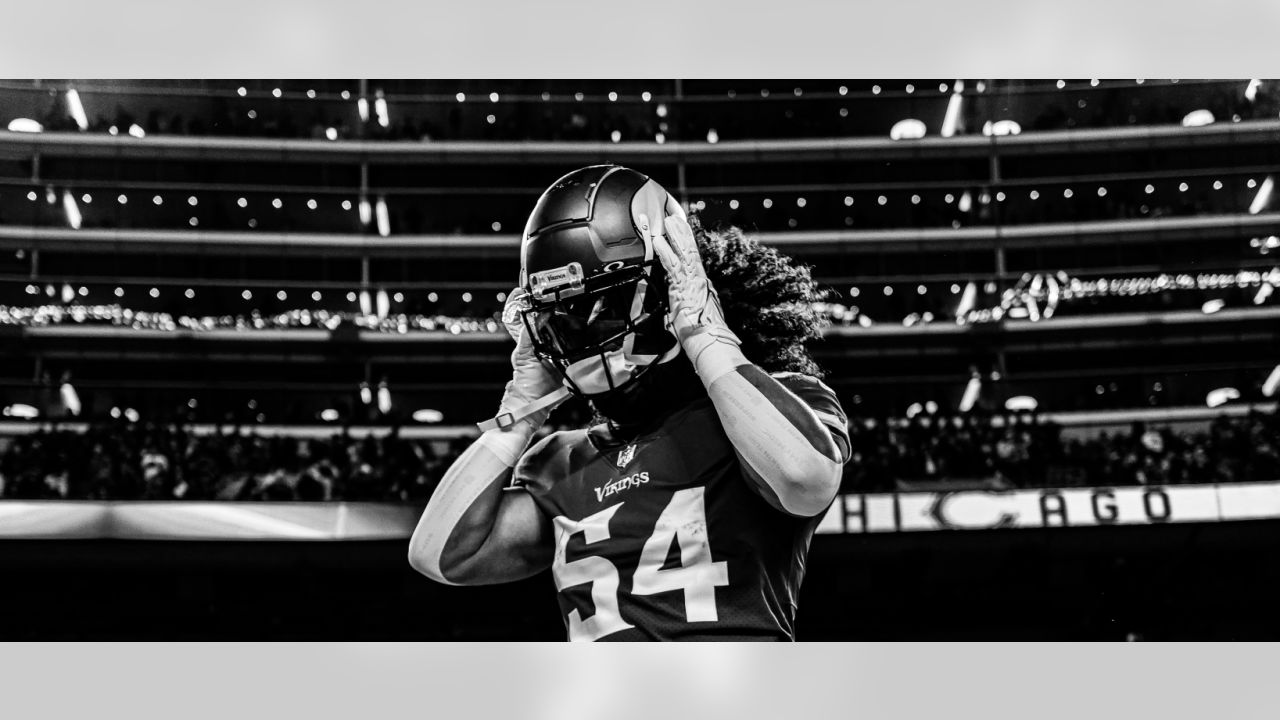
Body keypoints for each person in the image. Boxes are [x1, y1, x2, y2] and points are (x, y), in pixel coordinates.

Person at [408, 165, 850, 641]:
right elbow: (439, 554)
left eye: (605, 309)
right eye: (561, 319)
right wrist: (520, 410)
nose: (580, 335)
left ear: (667, 292)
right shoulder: (558, 461)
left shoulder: (768, 408)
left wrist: (704, 330)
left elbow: (805, 479)